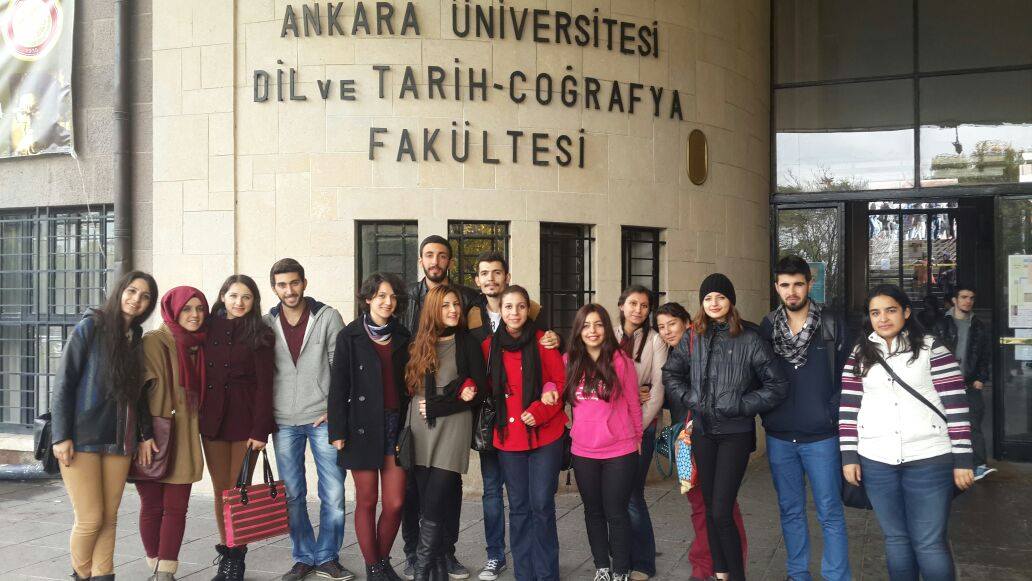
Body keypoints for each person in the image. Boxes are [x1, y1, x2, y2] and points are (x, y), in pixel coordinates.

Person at [840, 284, 975, 581]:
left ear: (906, 312)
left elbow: (956, 405)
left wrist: (963, 459)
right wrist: (849, 456)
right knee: (896, 539)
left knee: (929, 543)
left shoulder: (931, 348)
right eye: (875, 312)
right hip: (877, 460)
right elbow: (849, 408)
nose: (883, 318)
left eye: (890, 310)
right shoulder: (860, 353)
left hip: (929, 458)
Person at [663, 274, 788, 581]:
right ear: (702, 303)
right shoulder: (693, 336)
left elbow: (777, 385)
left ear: (730, 301)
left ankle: (736, 575)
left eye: (720, 297)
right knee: (709, 507)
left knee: (721, 510)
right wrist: (691, 398)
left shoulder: (750, 337)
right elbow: (671, 374)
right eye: (708, 298)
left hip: (735, 434)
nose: (714, 303)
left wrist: (741, 404)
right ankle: (721, 573)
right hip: (703, 432)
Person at [50, 271, 158, 581]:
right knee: (90, 518)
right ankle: (81, 575)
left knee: (109, 518)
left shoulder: (135, 337)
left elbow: (138, 394)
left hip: (120, 439)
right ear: (120, 290)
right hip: (82, 437)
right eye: (132, 291)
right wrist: (61, 435)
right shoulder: (91, 326)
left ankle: (104, 574)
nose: (136, 299)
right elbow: (64, 382)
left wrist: (144, 435)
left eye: (145, 296)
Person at [467, 250, 560, 581]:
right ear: (501, 311)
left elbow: (558, 382)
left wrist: (540, 409)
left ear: (528, 309)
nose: (515, 312)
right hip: (508, 438)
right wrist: (466, 386)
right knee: (519, 508)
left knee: (542, 505)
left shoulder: (543, 340)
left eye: (521, 306)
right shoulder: (488, 345)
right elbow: (475, 377)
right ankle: (524, 573)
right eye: (509, 307)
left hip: (545, 433)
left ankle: (546, 573)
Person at [758, 257, 851, 581]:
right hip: (780, 436)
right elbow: (758, 376)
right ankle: (798, 574)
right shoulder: (768, 327)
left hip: (822, 436)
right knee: (790, 511)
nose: (792, 291)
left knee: (830, 512)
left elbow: (849, 376)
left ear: (810, 284)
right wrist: (768, 413)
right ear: (777, 287)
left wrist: (831, 412)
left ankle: (836, 577)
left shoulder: (831, 323)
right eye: (785, 285)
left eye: (798, 284)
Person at [263, 258, 351, 581]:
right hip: (284, 421)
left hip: (322, 418)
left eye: (294, 283)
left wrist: (334, 409)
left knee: (334, 493)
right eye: (282, 285)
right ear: (274, 288)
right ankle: (302, 556)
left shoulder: (327, 316)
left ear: (304, 282)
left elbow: (341, 366)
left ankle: (327, 556)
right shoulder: (266, 322)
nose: (289, 290)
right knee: (292, 495)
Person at [401, 235, 479, 580]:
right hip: (418, 427)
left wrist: (442, 405)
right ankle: (431, 568)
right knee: (421, 497)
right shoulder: (418, 343)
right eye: (446, 306)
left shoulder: (467, 342)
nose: (453, 310)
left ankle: (423, 569)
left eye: (456, 305)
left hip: (451, 427)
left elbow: (476, 390)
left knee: (437, 497)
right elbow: (408, 387)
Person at [329, 273, 412, 581]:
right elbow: (338, 386)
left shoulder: (403, 334)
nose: (388, 302)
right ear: (368, 299)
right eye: (380, 296)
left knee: (395, 502)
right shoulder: (349, 336)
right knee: (366, 500)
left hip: (395, 425)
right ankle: (375, 567)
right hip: (360, 427)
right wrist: (337, 431)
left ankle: (380, 560)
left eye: (392, 297)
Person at [656, 303, 747, 581]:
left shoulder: (702, 348)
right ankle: (706, 564)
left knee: (722, 505)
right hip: (684, 442)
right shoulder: (671, 354)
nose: (666, 331)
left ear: (688, 324)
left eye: (672, 324)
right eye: (661, 327)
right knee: (697, 503)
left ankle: (725, 564)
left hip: (711, 436)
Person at [201, 275, 277, 581]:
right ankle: (227, 552)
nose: (239, 302)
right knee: (221, 490)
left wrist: (261, 430)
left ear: (254, 301)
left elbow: (266, 385)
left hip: (246, 422)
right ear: (222, 296)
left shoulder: (261, 333)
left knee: (237, 490)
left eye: (246, 297)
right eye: (233, 295)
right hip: (212, 421)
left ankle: (236, 557)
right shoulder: (207, 328)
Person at [565, 303, 643, 581]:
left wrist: (638, 437)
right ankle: (601, 567)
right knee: (593, 511)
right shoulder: (569, 360)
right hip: (583, 451)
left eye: (598, 324)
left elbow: (633, 403)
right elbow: (551, 385)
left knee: (616, 512)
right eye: (586, 325)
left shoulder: (621, 361)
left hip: (620, 449)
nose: (592, 330)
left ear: (607, 328)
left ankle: (620, 569)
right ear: (578, 330)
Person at [136, 287, 209, 580]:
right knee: (152, 506)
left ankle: (165, 572)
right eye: (187, 309)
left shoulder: (200, 346)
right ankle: (155, 566)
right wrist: (143, 436)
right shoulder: (154, 342)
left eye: (200, 308)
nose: (195, 315)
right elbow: (137, 394)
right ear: (173, 311)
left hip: (185, 437)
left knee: (177, 508)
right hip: (154, 436)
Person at [612, 286, 667, 581]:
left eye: (644, 306)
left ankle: (644, 562)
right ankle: (620, 556)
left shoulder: (655, 340)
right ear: (622, 305)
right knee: (614, 496)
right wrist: (631, 392)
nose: (638, 310)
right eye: (633, 303)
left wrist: (637, 426)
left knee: (633, 494)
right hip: (610, 428)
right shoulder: (608, 335)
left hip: (641, 427)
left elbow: (658, 389)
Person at [935, 284, 994, 480]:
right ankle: (948, 465)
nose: (968, 301)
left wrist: (980, 378)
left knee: (973, 425)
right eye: (964, 297)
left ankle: (978, 466)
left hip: (969, 383)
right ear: (954, 300)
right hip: (944, 383)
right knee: (943, 424)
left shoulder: (978, 325)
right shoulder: (941, 324)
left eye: (971, 298)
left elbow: (985, 354)